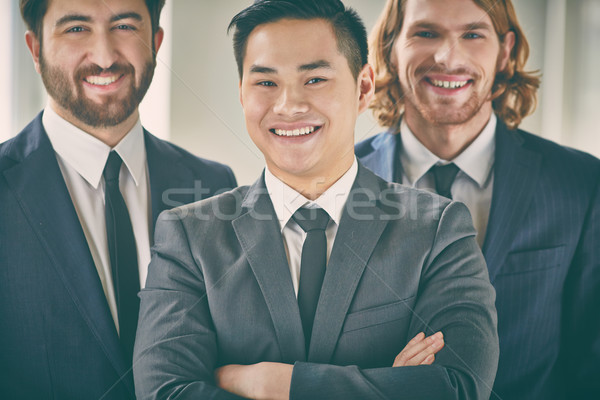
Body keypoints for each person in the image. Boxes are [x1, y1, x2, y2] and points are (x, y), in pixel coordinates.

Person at [133, 1, 499, 399]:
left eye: (314, 80)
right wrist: (385, 384)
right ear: (242, 93)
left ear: (363, 88)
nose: (289, 105)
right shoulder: (188, 236)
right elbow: (165, 393)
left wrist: (273, 384)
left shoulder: (438, 230)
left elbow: (458, 388)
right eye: (266, 83)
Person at [355, 0, 600, 398]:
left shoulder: (582, 185)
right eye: (425, 32)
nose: (448, 57)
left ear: (504, 51)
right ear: (389, 48)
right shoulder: (331, 184)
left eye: (472, 34)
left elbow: (592, 365)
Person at [0, 0, 236, 398]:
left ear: (156, 43)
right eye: (76, 29)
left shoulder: (214, 185)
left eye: (125, 26)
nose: (105, 56)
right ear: (36, 49)